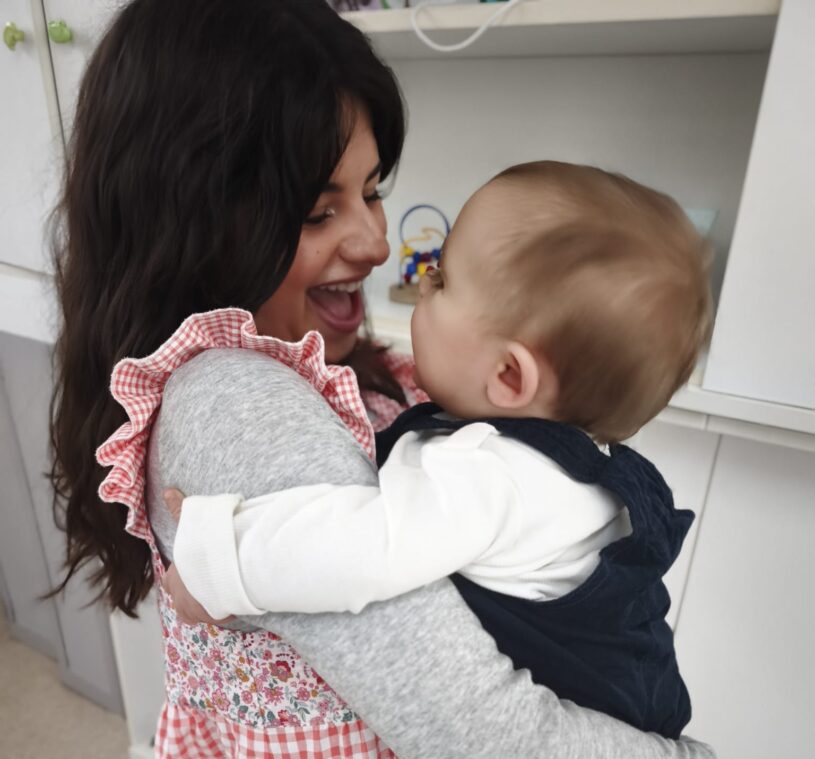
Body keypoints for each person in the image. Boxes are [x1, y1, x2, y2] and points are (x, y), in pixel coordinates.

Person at [48, 0, 716, 754]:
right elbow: (490, 734)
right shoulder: (234, 399)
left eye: (371, 191)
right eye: (317, 211)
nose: (375, 242)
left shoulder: (366, 375)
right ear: (187, 220)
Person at [163, 161, 711, 740]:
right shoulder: (567, 462)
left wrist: (218, 562)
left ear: (508, 375)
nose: (422, 280)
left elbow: (358, 549)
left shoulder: (488, 473)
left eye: (443, 280)